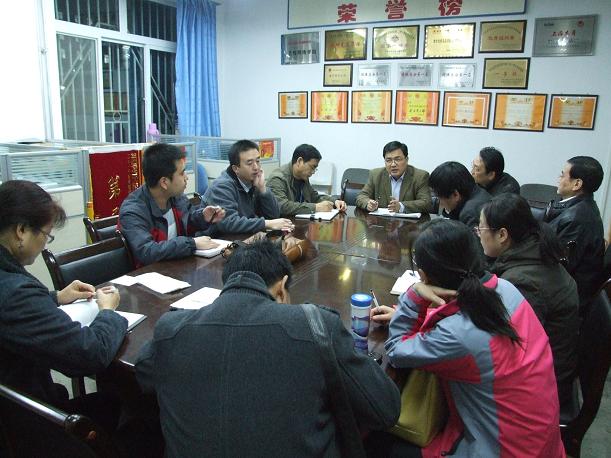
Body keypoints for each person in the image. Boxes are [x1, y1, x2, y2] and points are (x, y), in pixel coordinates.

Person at [135, 239, 400, 457]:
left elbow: (145, 374)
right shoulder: (316, 326)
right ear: (282, 288)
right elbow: (385, 409)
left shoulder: (171, 329)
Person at [377, 219, 564, 457]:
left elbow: (396, 351)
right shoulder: (505, 289)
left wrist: (414, 297)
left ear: (423, 276)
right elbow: (466, 325)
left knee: (377, 439)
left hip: (502, 449)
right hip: (539, 439)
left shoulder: (458, 335)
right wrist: (409, 315)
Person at [0, 180, 127, 426]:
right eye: (46, 235)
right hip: (28, 422)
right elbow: (90, 354)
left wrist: (56, 297)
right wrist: (108, 312)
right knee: (127, 408)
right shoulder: (16, 295)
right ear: (21, 231)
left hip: (15, 402)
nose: (44, 245)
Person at [479, 194, 579, 414]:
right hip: (552, 364)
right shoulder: (535, 251)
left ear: (502, 235)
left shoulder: (522, 281)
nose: (478, 234)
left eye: (481, 228)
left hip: (543, 384)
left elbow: (509, 345)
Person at [119, 143, 226, 267]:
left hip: (178, 266)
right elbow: (147, 251)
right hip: (150, 273)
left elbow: (188, 221)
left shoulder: (176, 196)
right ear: (164, 182)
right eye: (182, 173)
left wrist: (203, 217)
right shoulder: (133, 210)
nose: (186, 178)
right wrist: (192, 244)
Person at [544, 156, 605, 305]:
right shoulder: (579, 207)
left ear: (577, 184)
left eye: (562, 175)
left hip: (564, 297)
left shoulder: (577, 219)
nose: (559, 178)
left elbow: (554, 266)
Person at [204, 140, 294, 235]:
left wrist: (263, 190)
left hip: (244, 237)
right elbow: (229, 223)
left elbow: (273, 216)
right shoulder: (222, 186)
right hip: (218, 240)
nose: (256, 167)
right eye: (250, 163)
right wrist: (266, 224)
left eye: (258, 161)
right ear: (236, 168)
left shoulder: (253, 181)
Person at [267, 143, 347, 216]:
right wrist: (316, 207)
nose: (313, 172)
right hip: (280, 224)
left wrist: (334, 201)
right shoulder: (277, 179)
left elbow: (314, 197)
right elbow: (283, 207)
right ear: (299, 161)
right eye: (312, 167)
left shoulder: (303, 177)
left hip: (296, 222)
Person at [356, 141, 432, 214]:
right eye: (388, 160)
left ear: (406, 160)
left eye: (397, 159)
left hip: (409, 222)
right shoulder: (375, 175)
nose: (393, 164)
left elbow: (426, 203)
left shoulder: (420, 176)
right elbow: (361, 196)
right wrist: (368, 203)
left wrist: (401, 206)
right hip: (382, 221)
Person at [429, 161, 491, 227]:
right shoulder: (477, 190)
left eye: (439, 197)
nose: (440, 203)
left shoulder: (469, 214)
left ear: (456, 195)